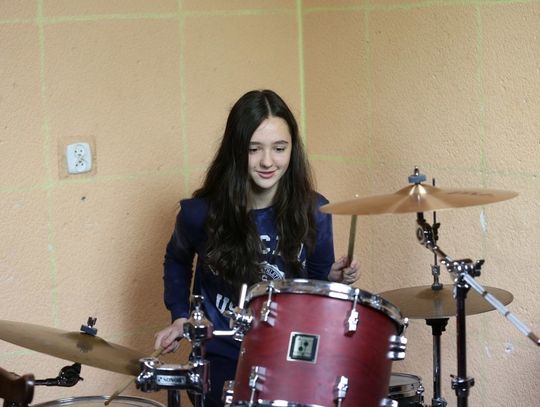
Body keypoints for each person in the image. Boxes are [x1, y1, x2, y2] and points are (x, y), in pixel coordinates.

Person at [154, 89, 359, 406]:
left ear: (292, 150)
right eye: (253, 149)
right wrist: (180, 315)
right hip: (220, 356)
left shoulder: (315, 212)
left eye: (279, 148)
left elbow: (316, 293)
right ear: (236, 151)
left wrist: (332, 279)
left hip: (288, 353)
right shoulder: (200, 213)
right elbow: (177, 260)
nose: (267, 161)